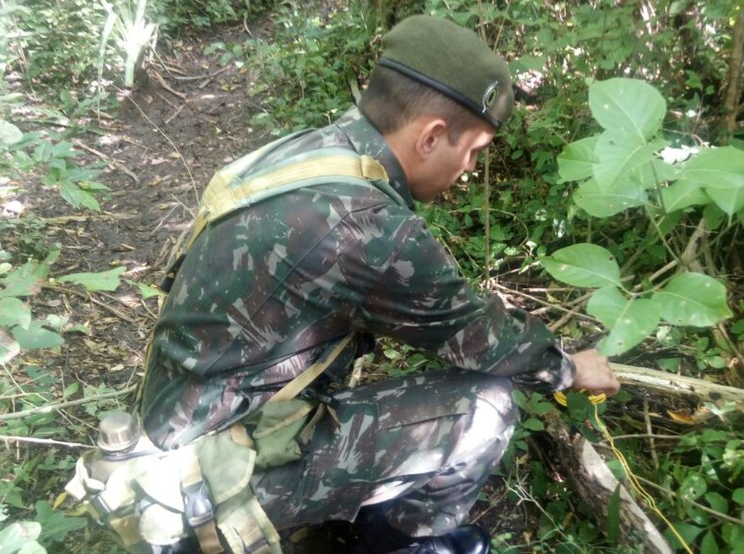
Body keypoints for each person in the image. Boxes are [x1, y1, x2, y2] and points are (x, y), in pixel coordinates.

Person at [136, 14, 619, 554]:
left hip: (171, 436)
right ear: (433, 136)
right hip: (204, 481)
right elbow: (485, 342)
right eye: (474, 152)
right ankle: (392, 544)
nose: (470, 169)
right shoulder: (368, 225)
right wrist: (571, 368)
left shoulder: (310, 153)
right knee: (489, 407)